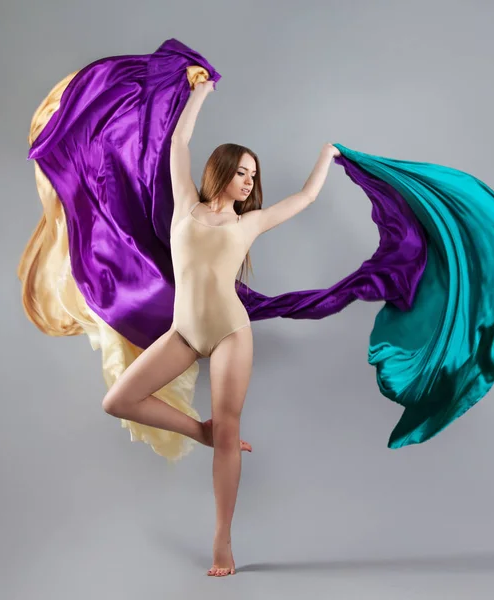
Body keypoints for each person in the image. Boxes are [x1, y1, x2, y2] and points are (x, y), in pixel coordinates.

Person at [100, 79, 341, 577]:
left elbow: (307, 197)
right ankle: (202, 433)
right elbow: (179, 144)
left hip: (231, 330)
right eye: (243, 171)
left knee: (231, 429)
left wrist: (329, 153)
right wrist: (202, 91)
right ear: (223, 170)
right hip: (183, 333)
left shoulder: (247, 224)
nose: (250, 181)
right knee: (119, 400)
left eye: (255, 175)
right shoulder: (184, 204)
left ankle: (222, 539)